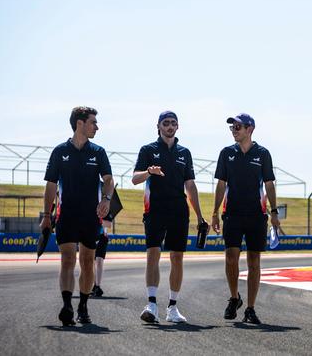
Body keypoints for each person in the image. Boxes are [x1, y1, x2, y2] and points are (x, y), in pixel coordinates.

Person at [40, 106, 114, 326]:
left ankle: (83, 306)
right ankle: (66, 306)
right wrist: (47, 215)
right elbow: (51, 185)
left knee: (88, 261)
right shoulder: (59, 151)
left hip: (91, 217)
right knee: (67, 260)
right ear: (80, 123)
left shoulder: (98, 152)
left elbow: (108, 180)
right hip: (66, 216)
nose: (97, 127)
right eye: (93, 122)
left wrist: (106, 200)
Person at [132, 111, 206, 323]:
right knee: (153, 254)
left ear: (178, 126)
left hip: (179, 211)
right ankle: (152, 304)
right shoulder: (148, 150)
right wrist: (149, 172)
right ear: (158, 126)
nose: (170, 126)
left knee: (177, 257)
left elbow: (190, 185)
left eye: (173, 123)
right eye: (166, 123)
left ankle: (172, 308)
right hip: (154, 209)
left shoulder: (185, 153)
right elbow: (135, 179)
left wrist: (200, 216)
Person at [211, 113, 280, 325]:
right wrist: (214, 212)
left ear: (250, 129)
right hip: (232, 213)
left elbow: (269, 184)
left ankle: (250, 308)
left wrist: (274, 211)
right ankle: (234, 298)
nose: (234, 130)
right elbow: (221, 184)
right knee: (231, 257)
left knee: (254, 261)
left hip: (256, 215)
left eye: (238, 127)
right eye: (232, 127)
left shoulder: (263, 154)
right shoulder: (226, 153)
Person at [91, 219, 112, 297]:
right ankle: (94, 285)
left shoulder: (104, 211)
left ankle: (98, 286)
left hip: (102, 237)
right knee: (92, 262)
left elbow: (109, 224)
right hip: (90, 236)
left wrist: (99, 221)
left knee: (99, 261)